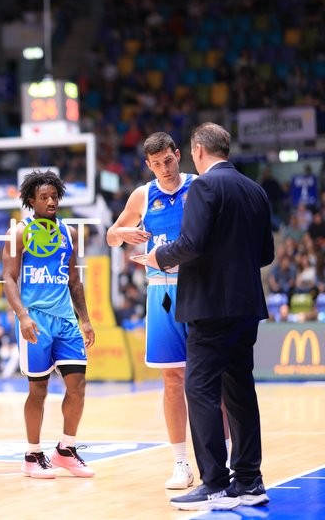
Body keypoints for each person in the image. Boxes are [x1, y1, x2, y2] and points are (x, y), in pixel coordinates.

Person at [146, 123, 274, 511]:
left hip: (210, 306)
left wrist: (157, 257)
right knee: (239, 391)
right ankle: (250, 481)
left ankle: (215, 483)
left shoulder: (204, 186)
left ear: (198, 150)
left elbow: (192, 244)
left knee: (200, 389)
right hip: (246, 306)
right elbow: (265, 254)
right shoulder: (255, 189)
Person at [107, 132, 232, 490]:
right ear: (148, 165)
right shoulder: (143, 195)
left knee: (213, 380)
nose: (164, 169)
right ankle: (181, 463)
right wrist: (124, 233)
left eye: (169, 160)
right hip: (161, 293)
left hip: (201, 290)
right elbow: (112, 236)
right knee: (173, 380)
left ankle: (223, 460)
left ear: (179, 155)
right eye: (156, 164)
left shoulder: (202, 186)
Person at [2, 170, 96, 479]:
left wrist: (85, 320)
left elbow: (74, 281)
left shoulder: (68, 233)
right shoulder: (19, 232)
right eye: (44, 197)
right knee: (38, 390)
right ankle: (32, 455)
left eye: (54, 196)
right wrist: (22, 315)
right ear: (31, 201)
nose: (51, 201)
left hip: (66, 320)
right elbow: (10, 279)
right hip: (36, 321)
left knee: (78, 386)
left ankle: (66, 449)